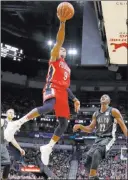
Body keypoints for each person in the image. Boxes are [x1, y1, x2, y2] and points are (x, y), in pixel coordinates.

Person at [4, 9, 80, 166]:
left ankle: (48, 147)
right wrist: (63, 22)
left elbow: (66, 87)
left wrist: (74, 98)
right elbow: (59, 41)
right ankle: (18, 123)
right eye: (61, 48)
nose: (63, 49)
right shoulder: (54, 58)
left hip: (62, 92)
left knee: (64, 123)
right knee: (48, 107)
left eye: (65, 50)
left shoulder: (67, 67)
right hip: (51, 87)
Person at [73, 94, 128, 180]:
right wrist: (80, 126)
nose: (103, 97)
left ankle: (92, 176)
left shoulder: (113, 111)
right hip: (98, 139)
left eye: (106, 97)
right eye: (102, 96)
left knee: (96, 153)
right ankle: (94, 177)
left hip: (109, 138)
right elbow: (90, 129)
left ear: (109, 102)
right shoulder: (96, 113)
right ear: (100, 101)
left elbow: (123, 127)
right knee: (87, 162)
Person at [1, 109, 25, 180]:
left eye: (12, 113)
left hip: (3, 146)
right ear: (6, 114)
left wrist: (20, 149)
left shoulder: (13, 125)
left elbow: (12, 139)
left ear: (14, 115)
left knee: (7, 164)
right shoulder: (2, 121)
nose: (11, 113)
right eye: (9, 112)